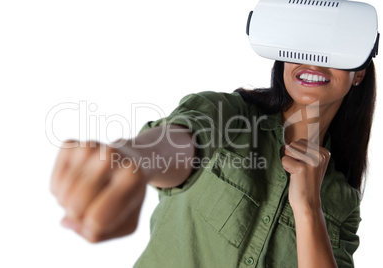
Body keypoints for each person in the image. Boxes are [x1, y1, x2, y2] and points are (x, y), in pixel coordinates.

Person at [50, 5, 378, 268]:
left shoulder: (343, 201)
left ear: (359, 71)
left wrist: (309, 209)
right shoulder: (226, 113)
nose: (313, 58)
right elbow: (180, 140)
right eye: (302, 43)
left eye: (335, 47)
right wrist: (134, 158)